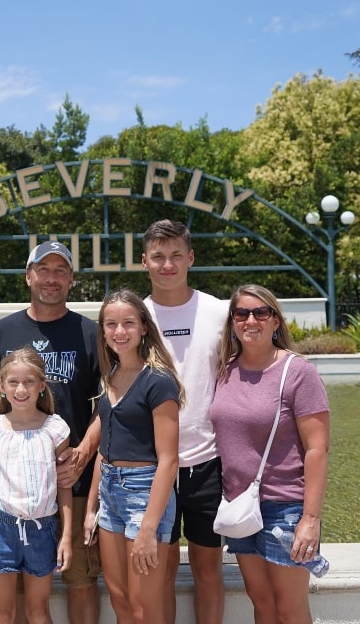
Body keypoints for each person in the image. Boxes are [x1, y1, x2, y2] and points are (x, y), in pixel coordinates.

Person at [0, 240, 102, 624]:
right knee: (17, 593)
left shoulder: (91, 333)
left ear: (70, 279)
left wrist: (84, 451)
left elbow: (109, 404)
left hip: (73, 482)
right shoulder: (1, 332)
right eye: (43, 269)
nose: (51, 278)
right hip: (16, 493)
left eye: (60, 270)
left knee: (80, 579)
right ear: (28, 275)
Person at [209, 284, 330, 624]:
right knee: (260, 604)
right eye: (242, 313)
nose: (251, 320)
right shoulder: (225, 370)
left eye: (261, 312)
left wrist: (311, 519)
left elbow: (317, 450)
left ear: (276, 321)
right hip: (239, 508)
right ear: (232, 322)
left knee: (289, 611)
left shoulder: (298, 372)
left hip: (286, 508)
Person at [141, 219, 228, 624]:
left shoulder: (220, 312)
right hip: (152, 465)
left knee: (208, 570)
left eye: (176, 255)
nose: (167, 264)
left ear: (190, 257)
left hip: (208, 462)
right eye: (158, 257)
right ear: (145, 261)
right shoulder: (135, 317)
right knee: (161, 569)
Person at [84, 288, 183, 624]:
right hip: (110, 493)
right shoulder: (111, 376)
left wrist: (148, 530)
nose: (119, 331)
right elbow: (104, 450)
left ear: (143, 327)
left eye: (128, 322)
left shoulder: (158, 381)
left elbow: (169, 460)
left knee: (145, 609)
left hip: (145, 494)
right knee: (121, 600)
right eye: (110, 324)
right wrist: (92, 508)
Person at [0, 347, 73, 624]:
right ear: (2, 386)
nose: (21, 389)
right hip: (1, 529)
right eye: (13, 382)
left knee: (38, 611)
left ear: (42, 385)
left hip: (42, 530)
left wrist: (65, 537)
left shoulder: (55, 429)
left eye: (28, 382)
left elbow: (64, 485)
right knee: (2, 613)